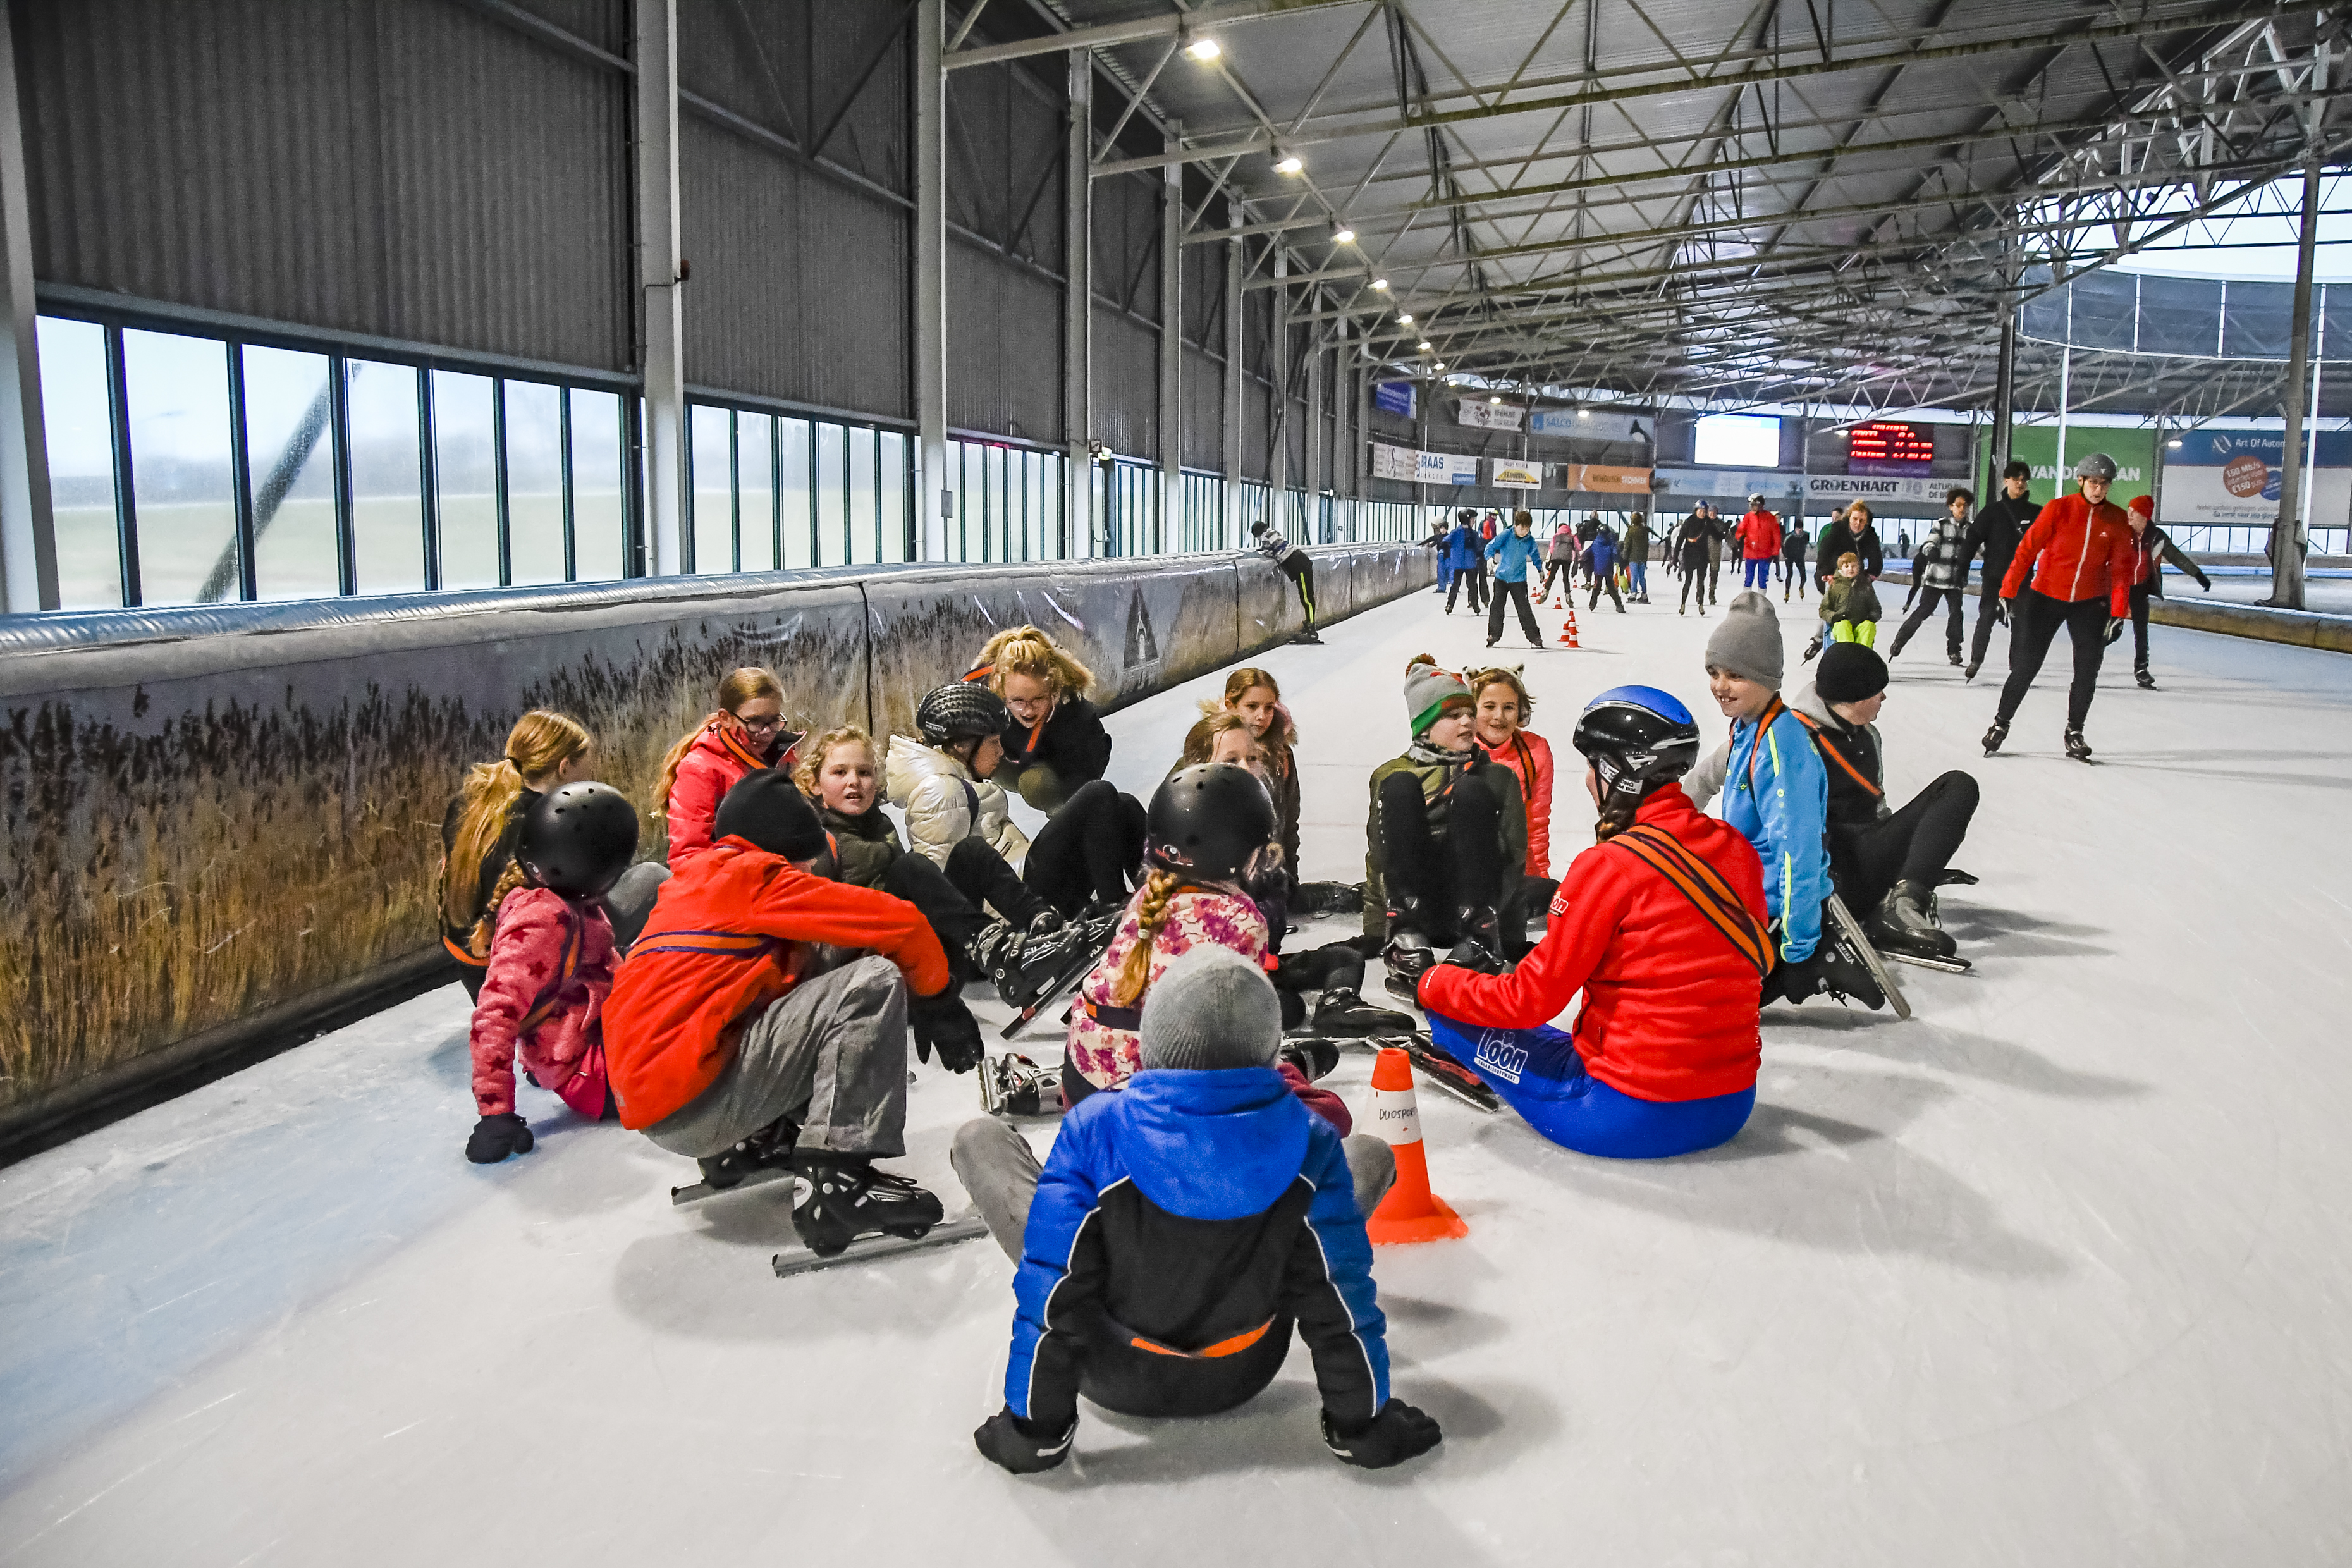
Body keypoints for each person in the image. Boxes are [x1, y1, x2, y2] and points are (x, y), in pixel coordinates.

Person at [957, 948, 1434, 1476]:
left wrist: (1032, 1434)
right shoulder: (1312, 1141)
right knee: (1366, 1158)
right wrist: (1365, 1428)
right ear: (1272, 1049)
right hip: (1243, 1372)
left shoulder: (1096, 1127)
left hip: (1110, 1372)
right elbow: (1341, 1299)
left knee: (984, 1142)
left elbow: (1052, 1292)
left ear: (1152, 1042)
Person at [601, 771, 983, 1255]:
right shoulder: (755, 876)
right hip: (695, 1104)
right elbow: (901, 922)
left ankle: (750, 1144)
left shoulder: (695, 882)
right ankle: (838, 1181)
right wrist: (938, 1000)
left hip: (660, 1103)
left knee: (821, 953)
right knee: (870, 982)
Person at [1412, 687, 1767, 1158]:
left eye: (1593, 765)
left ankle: (1459, 1051)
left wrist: (1436, 983)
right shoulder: (1734, 846)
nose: (1587, 781)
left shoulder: (1608, 866)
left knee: (1453, 1016)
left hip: (1629, 1115)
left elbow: (1529, 1001)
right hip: (1732, 1104)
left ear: (1619, 772)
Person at [1061, 766, 1366, 1115]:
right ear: (1244, 855)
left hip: (1082, 1084)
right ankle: (1292, 1071)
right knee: (1331, 1114)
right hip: (1156, 1106)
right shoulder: (1242, 920)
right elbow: (1238, 1040)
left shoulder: (1149, 895)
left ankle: (1290, 1070)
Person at [1686, 592, 1882, 1008]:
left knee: (1699, 1000)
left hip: (1773, 908)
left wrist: (1799, 942)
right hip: (1744, 888)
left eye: (1735, 675)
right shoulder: (1750, 726)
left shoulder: (1780, 746)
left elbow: (1798, 851)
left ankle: (1816, 964)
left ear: (1767, 678)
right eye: (1714, 672)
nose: (1720, 686)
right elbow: (1700, 782)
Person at [800, 725, 1079, 1008]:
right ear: (814, 784)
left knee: (971, 851)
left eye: (864, 772)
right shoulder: (817, 843)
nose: (854, 782)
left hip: (920, 946)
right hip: (880, 971)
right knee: (910, 866)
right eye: (839, 772)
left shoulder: (880, 825)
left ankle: (1043, 926)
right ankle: (997, 955)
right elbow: (821, 933)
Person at [461, 782, 642, 1163]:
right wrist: (495, 1114)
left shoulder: (560, 896)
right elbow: (494, 1016)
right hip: (594, 1073)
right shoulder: (545, 919)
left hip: (600, 1036)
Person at [1789, 644, 1978, 964]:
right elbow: (1717, 773)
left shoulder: (1868, 735)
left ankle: (1903, 899)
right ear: (1854, 695)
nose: (1883, 698)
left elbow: (1877, 806)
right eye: (1878, 692)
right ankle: (1894, 911)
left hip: (1866, 853)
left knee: (1958, 785)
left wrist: (1916, 858)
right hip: (1831, 871)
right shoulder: (1791, 736)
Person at [888, 683, 1145, 917]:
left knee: (1123, 806)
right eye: (994, 742)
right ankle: (1113, 907)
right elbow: (944, 885)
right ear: (962, 746)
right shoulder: (940, 791)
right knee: (1097, 796)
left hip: (1024, 880)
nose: (1001, 751)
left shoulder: (957, 779)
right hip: (1017, 903)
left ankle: (1160, 888)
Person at [1366, 656, 1529, 983]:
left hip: (1474, 905)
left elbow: (1514, 859)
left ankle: (1479, 934)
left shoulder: (1499, 778)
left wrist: (1511, 937)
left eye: (1470, 714)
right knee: (1400, 787)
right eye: (1454, 716)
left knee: (1472, 790)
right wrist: (1373, 930)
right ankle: (1405, 930)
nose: (1468, 723)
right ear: (1425, 726)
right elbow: (1380, 858)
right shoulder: (1391, 774)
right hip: (1419, 905)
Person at [1985, 451, 2136, 762]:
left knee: (2087, 669)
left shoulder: (2117, 519)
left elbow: (2122, 569)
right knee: (2027, 665)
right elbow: (2027, 551)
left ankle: (2075, 732)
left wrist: (2119, 611)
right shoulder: (2058, 509)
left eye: (2104, 484)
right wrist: (2007, 591)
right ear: (2080, 481)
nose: (2098, 489)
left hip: (2089, 602)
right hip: (2046, 597)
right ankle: (2001, 723)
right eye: (2093, 482)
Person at [442, 710, 594, 1000]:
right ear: (564, 767)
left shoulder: (468, 804)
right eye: (585, 767)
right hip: (522, 976)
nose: (589, 778)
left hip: (469, 965)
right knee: (651, 877)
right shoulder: (553, 823)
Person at [652, 667, 801, 867]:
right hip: (731, 881)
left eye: (774, 721)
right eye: (754, 722)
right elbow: (688, 856)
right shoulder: (699, 769)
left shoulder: (782, 756)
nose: (766, 732)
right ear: (725, 718)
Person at [967, 625, 1111, 811]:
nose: (1027, 711)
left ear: (1054, 691)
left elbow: (1085, 782)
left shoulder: (1075, 719)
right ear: (1000, 690)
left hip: (1068, 764)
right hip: (1015, 756)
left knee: (1035, 785)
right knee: (970, 755)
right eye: (1018, 701)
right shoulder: (984, 693)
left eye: (1038, 699)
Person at [1468, 665, 1555, 883]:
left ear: (1522, 714)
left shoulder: (1535, 751)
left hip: (1514, 872)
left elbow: (1537, 823)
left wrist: (1539, 879)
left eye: (1509, 707)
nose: (1499, 717)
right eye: (1489, 706)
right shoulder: (1460, 749)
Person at [2121, 494, 2214, 689]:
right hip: (2118, 589)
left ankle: (2142, 670)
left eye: (2133, 512)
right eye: (2128, 511)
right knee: (2110, 632)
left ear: (2145, 515)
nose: (2128, 516)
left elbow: (2177, 557)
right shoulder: (2121, 532)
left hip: (2140, 590)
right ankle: (2090, 662)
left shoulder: (2158, 537)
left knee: (2141, 630)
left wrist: (2198, 575)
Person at [1963, 460, 2037, 681]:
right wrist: (1962, 568)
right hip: (1994, 577)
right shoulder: (1992, 512)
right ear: (2006, 481)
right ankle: (1976, 660)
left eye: (2024, 479)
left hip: (2023, 580)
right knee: (1986, 617)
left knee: (2021, 624)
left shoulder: (2036, 512)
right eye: (2016, 479)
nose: (2020, 483)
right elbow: (1972, 540)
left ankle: (2017, 668)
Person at [1888, 488, 1975, 666]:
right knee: (1923, 612)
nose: (1962, 509)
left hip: (1955, 581)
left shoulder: (1972, 530)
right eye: (1958, 505)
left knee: (1956, 615)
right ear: (1951, 506)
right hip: (1935, 579)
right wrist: (1931, 551)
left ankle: (1954, 650)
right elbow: (1929, 543)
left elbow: (1982, 549)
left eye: (1965, 506)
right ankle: (1899, 641)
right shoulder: (1941, 524)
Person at [1250, 520, 1322, 644]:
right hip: (1302, 562)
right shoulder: (1272, 533)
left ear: (1257, 534)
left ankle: (1312, 630)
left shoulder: (1265, 537)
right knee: (1305, 597)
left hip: (1300, 566)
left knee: (1307, 598)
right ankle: (1309, 626)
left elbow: (1267, 552)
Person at [1483, 509, 1547, 649]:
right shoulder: (1507, 535)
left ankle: (1534, 636)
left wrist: (1540, 569)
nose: (1524, 531)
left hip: (1519, 580)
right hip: (1502, 577)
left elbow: (1535, 555)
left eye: (1527, 529)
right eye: (1522, 528)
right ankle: (1493, 635)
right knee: (1497, 606)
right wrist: (1489, 558)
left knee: (1524, 608)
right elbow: (1491, 546)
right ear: (1516, 525)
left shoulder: (1529, 540)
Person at [1809, 552, 1882, 656]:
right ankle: (1848, 656)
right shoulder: (1835, 586)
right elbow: (1824, 609)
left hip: (1860, 623)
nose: (1851, 569)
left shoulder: (1865, 586)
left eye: (1854, 566)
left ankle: (1864, 656)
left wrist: (1871, 617)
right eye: (1847, 566)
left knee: (1868, 626)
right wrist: (1834, 617)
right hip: (1841, 623)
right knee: (1844, 625)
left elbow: (1876, 608)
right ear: (1841, 568)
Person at [1815, 501, 1884, 590]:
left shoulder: (1870, 536)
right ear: (1849, 518)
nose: (1858, 523)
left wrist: (1873, 573)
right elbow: (1824, 553)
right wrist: (1828, 573)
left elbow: (1876, 557)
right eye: (1855, 519)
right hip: (1837, 572)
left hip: (1858, 573)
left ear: (1867, 522)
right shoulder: (1837, 531)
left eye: (1862, 520)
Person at [1670, 506, 1714, 615]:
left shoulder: (1707, 522)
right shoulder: (1689, 521)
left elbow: (1715, 534)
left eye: (1704, 512)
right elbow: (1680, 539)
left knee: (1701, 582)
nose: (1703, 514)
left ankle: (1701, 605)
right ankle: (1683, 604)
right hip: (1689, 554)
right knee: (1688, 581)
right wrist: (1675, 556)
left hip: (1703, 555)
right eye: (1700, 511)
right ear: (1696, 511)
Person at [1443, 508, 1487, 615]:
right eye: (1473, 519)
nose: (1474, 521)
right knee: (1465, 585)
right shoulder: (1465, 533)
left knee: (1464, 585)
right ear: (1467, 520)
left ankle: (1453, 605)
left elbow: (1445, 541)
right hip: (1467, 563)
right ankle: (1470, 605)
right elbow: (1446, 541)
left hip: (1463, 563)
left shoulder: (1463, 533)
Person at [1737, 495, 1782, 590]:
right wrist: (1740, 537)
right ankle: (1747, 599)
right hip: (1750, 553)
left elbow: (1776, 536)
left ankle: (1761, 599)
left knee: (1762, 580)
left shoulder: (1770, 518)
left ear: (1760, 505)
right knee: (1749, 578)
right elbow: (1741, 531)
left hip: (1765, 554)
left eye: (1753, 505)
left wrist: (1775, 552)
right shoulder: (1748, 517)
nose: (1751, 507)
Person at [1584, 520, 1626, 613]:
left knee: (1597, 586)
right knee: (1611, 587)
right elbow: (1615, 554)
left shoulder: (1596, 542)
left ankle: (1593, 603)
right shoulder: (1612, 543)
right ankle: (1619, 605)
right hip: (1608, 568)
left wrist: (1583, 561)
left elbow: (1587, 553)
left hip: (1598, 569)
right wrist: (1620, 562)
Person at [1541, 520, 1577, 601]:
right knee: (1565, 578)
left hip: (1556, 558)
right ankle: (1568, 596)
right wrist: (1574, 560)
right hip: (1567, 559)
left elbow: (1551, 548)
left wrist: (1548, 561)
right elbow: (1576, 548)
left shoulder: (1556, 536)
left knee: (1552, 576)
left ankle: (1545, 592)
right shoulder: (1572, 537)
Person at [1780, 513, 1810, 601]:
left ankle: (1801, 587)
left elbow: (1805, 545)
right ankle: (1787, 593)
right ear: (1795, 528)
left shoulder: (1806, 536)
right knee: (1790, 574)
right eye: (1797, 529)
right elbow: (1783, 546)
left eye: (1800, 529)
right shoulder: (1789, 536)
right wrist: (1786, 556)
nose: (1799, 531)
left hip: (1799, 558)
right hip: (1789, 557)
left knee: (1804, 576)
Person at [1624, 511, 1653, 603]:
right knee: (1642, 577)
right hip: (1642, 558)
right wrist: (1645, 558)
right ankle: (1644, 595)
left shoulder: (1631, 531)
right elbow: (1646, 545)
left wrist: (1624, 556)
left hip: (1633, 557)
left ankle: (1633, 594)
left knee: (1634, 577)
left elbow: (1627, 545)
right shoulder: (1645, 531)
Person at [1701, 502, 1727, 605]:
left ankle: (1712, 595)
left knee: (1714, 575)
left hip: (1715, 553)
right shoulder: (1703, 523)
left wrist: (1735, 547)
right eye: (1711, 512)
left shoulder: (1721, 524)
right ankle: (1700, 594)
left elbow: (1727, 536)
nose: (1712, 515)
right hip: (1703, 552)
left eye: (1714, 513)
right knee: (1701, 574)